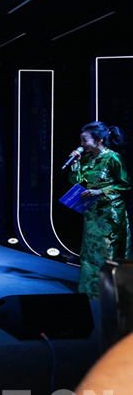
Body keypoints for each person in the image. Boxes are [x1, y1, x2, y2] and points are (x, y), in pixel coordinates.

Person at [67, 121, 131, 299]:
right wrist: (75, 164)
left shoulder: (113, 158)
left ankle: (110, 293)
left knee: (107, 250)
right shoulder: (87, 159)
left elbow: (125, 184)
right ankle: (90, 290)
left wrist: (100, 191)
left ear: (100, 140)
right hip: (92, 212)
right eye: (81, 140)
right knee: (90, 250)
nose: (82, 144)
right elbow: (76, 181)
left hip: (110, 213)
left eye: (85, 140)